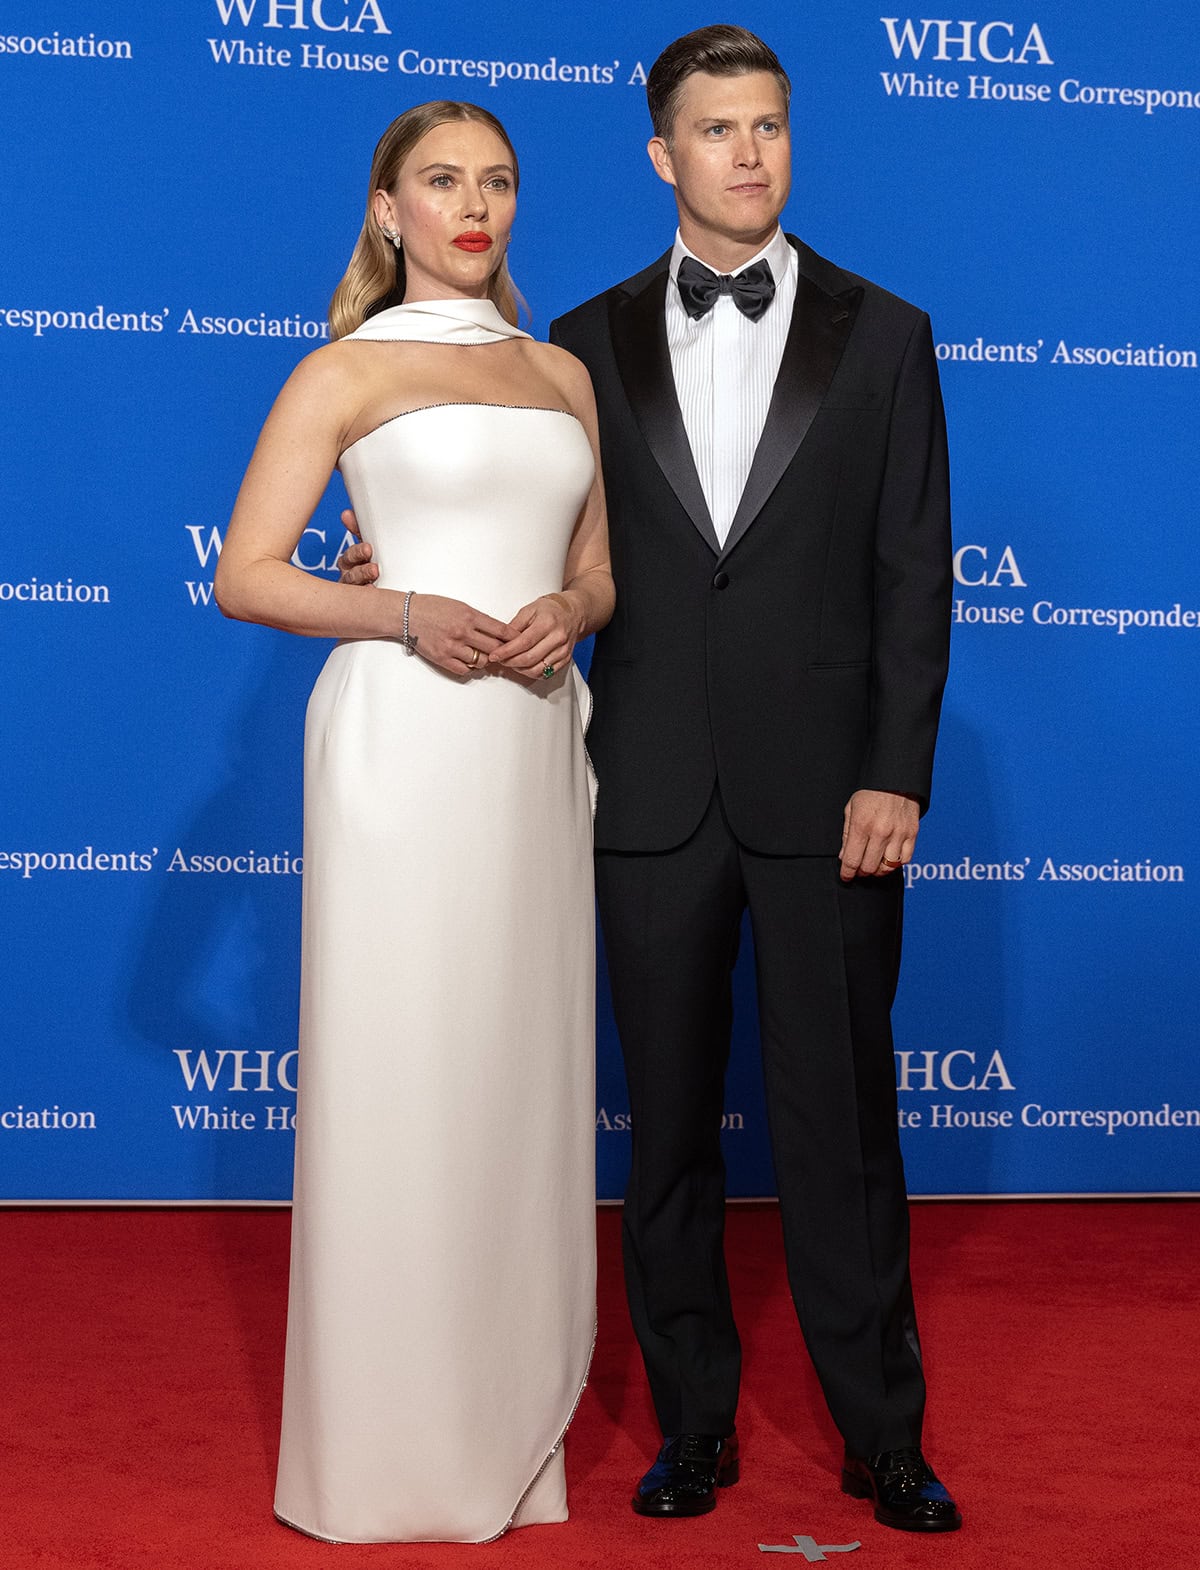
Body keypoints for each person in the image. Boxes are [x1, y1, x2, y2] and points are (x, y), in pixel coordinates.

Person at [340, 25, 960, 1535]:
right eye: (719, 130)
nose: (751, 155)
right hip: (642, 791)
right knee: (667, 1133)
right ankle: (694, 1427)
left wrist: (897, 774)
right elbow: (526, 520)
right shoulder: (587, 344)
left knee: (844, 1127)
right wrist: (401, 567)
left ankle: (885, 1435)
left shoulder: (888, 334)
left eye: (771, 127)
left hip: (831, 803)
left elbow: (911, 580)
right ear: (660, 155)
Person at [213, 100, 613, 1544]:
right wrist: (399, 610)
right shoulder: (344, 369)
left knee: (514, 1072)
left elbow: (596, 575)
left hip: (525, 745)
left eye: (497, 181)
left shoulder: (562, 369)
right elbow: (248, 575)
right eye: (441, 181)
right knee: (404, 1074)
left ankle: (510, 1425)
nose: (473, 204)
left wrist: (571, 609)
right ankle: (381, 1449)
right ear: (387, 208)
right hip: (400, 743)